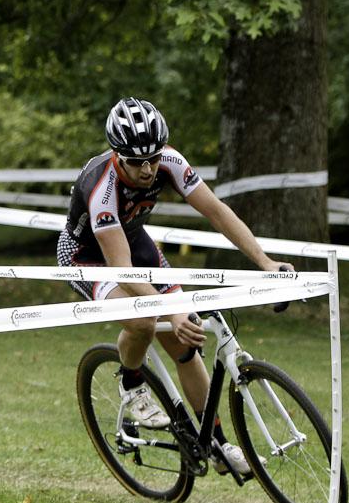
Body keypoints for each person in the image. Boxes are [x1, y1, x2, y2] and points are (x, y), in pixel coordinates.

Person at [58, 97, 291, 475]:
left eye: (153, 158)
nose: (148, 169)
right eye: (136, 162)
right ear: (118, 156)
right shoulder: (101, 187)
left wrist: (265, 262)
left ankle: (216, 445)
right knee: (143, 322)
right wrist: (170, 310)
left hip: (133, 241)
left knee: (186, 342)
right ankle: (132, 384)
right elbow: (122, 270)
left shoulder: (169, 161)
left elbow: (216, 211)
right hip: (89, 257)